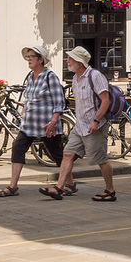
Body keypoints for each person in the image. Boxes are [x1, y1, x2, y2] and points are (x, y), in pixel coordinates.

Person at [39, 46, 115, 202]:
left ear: (80, 62)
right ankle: (59, 188)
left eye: (71, 59)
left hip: (95, 127)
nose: (67, 61)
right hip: (80, 126)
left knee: (100, 160)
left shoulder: (95, 76)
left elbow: (105, 101)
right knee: (67, 154)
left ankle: (110, 191)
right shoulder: (75, 78)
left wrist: (96, 121)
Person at [0, 45, 66, 198]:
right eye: (27, 56)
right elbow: (29, 98)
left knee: (57, 155)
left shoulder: (50, 76)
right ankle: (13, 187)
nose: (28, 59)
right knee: (18, 148)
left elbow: (59, 101)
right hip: (29, 125)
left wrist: (54, 121)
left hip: (47, 125)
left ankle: (70, 184)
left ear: (41, 59)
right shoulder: (29, 76)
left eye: (32, 56)